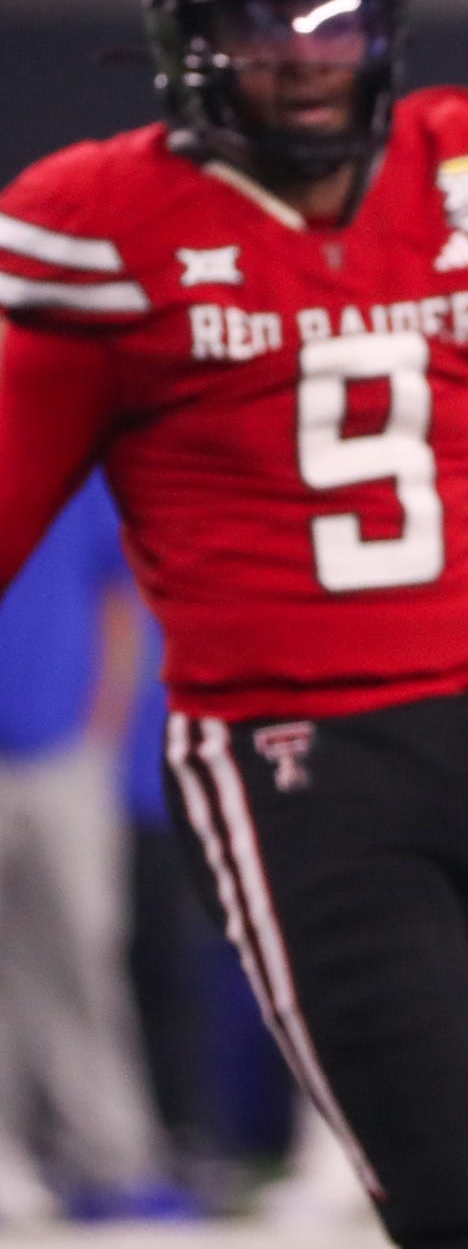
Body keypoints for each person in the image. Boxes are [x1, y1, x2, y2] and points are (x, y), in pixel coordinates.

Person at [0, 0, 468, 1249]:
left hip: (465, 725)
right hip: (276, 754)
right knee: (451, 1191)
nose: (306, 60)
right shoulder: (111, 223)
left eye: (335, 19)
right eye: (264, 20)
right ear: (191, 32)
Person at [0, 473, 183, 1223]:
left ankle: (109, 1156)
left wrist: (99, 731)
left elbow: (121, 600)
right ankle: (11, 1156)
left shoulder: (64, 464)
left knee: (84, 956)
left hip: (63, 751)